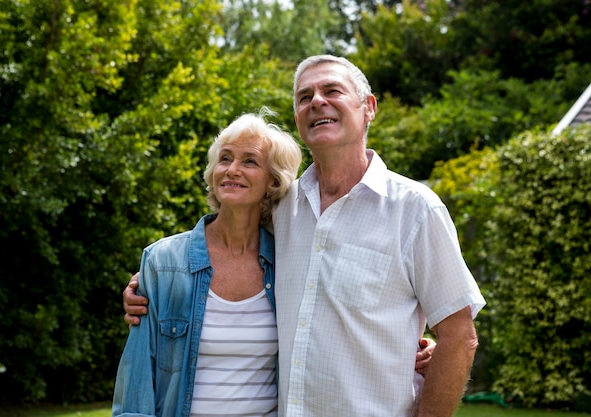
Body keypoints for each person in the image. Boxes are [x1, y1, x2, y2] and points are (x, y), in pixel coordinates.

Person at [123, 55, 485, 417]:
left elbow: (459, 335)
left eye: (332, 90)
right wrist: (149, 284)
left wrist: (428, 355)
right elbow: (219, 251)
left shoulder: (416, 210)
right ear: (298, 118)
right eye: (304, 96)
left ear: (369, 107)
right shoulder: (283, 209)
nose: (317, 102)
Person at [112, 109, 302, 417]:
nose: (232, 169)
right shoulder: (163, 262)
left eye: (250, 161)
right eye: (225, 159)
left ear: (273, 181)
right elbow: (137, 379)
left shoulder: (290, 262)